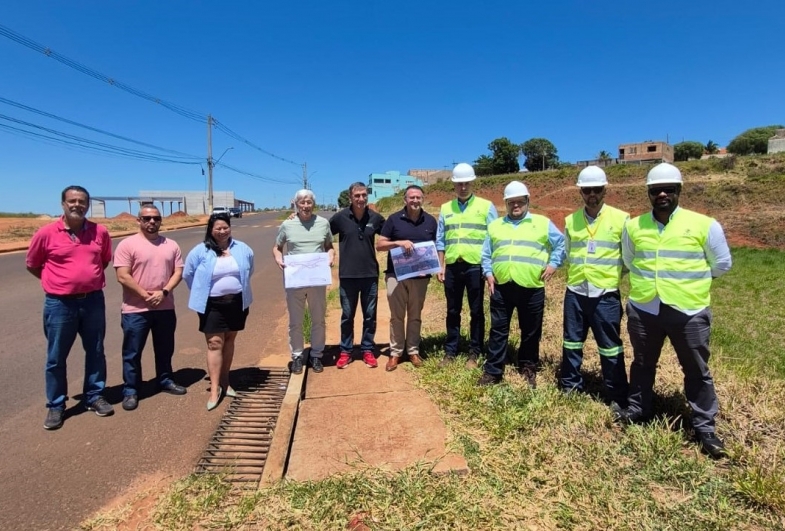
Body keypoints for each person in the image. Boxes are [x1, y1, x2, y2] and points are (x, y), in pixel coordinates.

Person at [613, 163, 732, 459]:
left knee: (695, 369)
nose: (662, 194)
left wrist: (691, 284)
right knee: (642, 362)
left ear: (679, 190)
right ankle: (639, 408)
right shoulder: (634, 226)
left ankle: (705, 427)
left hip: (688, 310)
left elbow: (722, 264)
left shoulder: (704, 224)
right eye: (656, 190)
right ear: (649, 194)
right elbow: (629, 259)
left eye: (669, 189)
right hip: (645, 308)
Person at [26, 185, 114, 430]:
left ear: (88, 204)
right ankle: (56, 405)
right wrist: (57, 283)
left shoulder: (100, 232)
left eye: (82, 201)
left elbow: (103, 260)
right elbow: (33, 264)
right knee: (56, 357)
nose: (77, 205)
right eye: (72, 201)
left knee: (96, 351)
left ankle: (94, 396)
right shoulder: (46, 233)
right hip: (59, 304)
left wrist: (85, 280)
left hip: (93, 300)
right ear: (63, 204)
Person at [478, 181, 565, 387]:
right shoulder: (495, 225)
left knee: (531, 330)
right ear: (505, 203)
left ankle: (528, 366)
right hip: (500, 286)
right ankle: (493, 370)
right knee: (498, 330)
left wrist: (553, 264)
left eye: (519, 201)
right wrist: (488, 273)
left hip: (531, 286)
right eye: (511, 202)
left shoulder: (542, 223)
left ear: (527, 201)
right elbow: (486, 253)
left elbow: (561, 243)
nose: (515, 206)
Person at [559, 166, 629, 405]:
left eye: (596, 189)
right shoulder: (571, 221)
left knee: (610, 347)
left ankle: (617, 395)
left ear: (604, 190)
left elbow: (628, 259)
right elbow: (568, 253)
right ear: (580, 191)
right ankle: (570, 385)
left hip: (605, 294)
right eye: (586, 189)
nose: (591, 194)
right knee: (571, 341)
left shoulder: (621, 219)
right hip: (576, 291)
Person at [113, 205, 186, 411]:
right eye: (147, 218)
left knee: (165, 348)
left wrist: (163, 292)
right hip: (135, 310)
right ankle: (130, 390)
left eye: (156, 218)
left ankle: (164, 380)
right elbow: (123, 276)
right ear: (139, 221)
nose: (151, 222)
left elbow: (177, 272)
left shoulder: (171, 245)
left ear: (161, 221)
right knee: (132, 352)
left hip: (165, 307)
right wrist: (146, 295)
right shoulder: (127, 245)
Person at [183, 212, 254, 411]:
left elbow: (249, 269)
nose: (222, 231)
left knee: (230, 340)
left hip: (236, 303)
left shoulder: (242, 249)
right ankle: (214, 389)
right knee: (215, 343)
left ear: (230, 228)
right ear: (210, 230)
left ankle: (225, 381)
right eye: (218, 228)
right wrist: (202, 291)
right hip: (211, 305)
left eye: (225, 227)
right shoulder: (200, 250)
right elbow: (188, 274)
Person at [436, 163, 498, 369]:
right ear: (454, 185)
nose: (463, 187)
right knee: (452, 310)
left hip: (476, 267)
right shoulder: (446, 208)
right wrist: (441, 265)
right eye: (459, 184)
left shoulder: (486, 207)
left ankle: (475, 351)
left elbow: (494, 238)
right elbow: (441, 239)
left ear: (472, 183)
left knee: (476, 311)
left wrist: (489, 268)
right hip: (453, 265)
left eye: (466, 183)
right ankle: (450, 350)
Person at [376, 185, 438, 371]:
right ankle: (395, 353)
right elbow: (380, 245)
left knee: (415, 315)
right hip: (395, 276)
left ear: (423, 199)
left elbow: (435, 247)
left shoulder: (430, 221)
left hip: (420, 277)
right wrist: (398, 243)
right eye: (411, 197)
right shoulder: (394, 220)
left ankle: (412, 350)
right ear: (405, 200)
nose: (415, 201)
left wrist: (431, 267)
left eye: (418, 197)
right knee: (396, 316)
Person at [274, 189, 335, 375]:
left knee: (318, 319)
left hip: (317, 280)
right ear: (296, 204)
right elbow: (277, 248)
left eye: (309, 202)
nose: (306, 206)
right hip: (295, 281)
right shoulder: (288, 224)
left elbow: (329, 246)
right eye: (302, 203)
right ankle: (297, 356)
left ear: (313, 204)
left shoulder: (323, 223)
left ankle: (316, 354)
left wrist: (330, 258)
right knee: (295, 321)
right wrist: (278, 259)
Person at [329, 182, 385, 369]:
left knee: (370, 315)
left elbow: (392, 232)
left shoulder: (375, 218)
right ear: (350, 197)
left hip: (370, 275)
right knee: (347, 315)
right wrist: (295, 217)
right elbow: (320, 232)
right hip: (347, 276)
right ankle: (346, 351)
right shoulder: (340, 218)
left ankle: (367, 350)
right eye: (357, 196)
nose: (361, 199)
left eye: (363, 195)